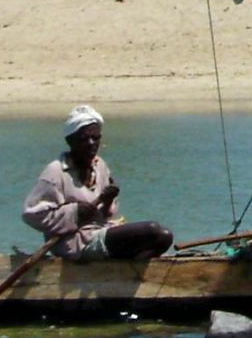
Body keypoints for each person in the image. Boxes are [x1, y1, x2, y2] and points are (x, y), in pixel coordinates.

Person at [22, 105, 174, 261]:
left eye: (95, 138)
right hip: (76, 244)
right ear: (70, 141)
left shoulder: (99, 166)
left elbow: (105, 215)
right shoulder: (55, 172)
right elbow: (31, 215)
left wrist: (108, 201)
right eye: (84, 139)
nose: (91, 143)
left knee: (164, 238)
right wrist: (74, 212)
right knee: (153, 231)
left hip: (100, 233)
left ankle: (124, 273)